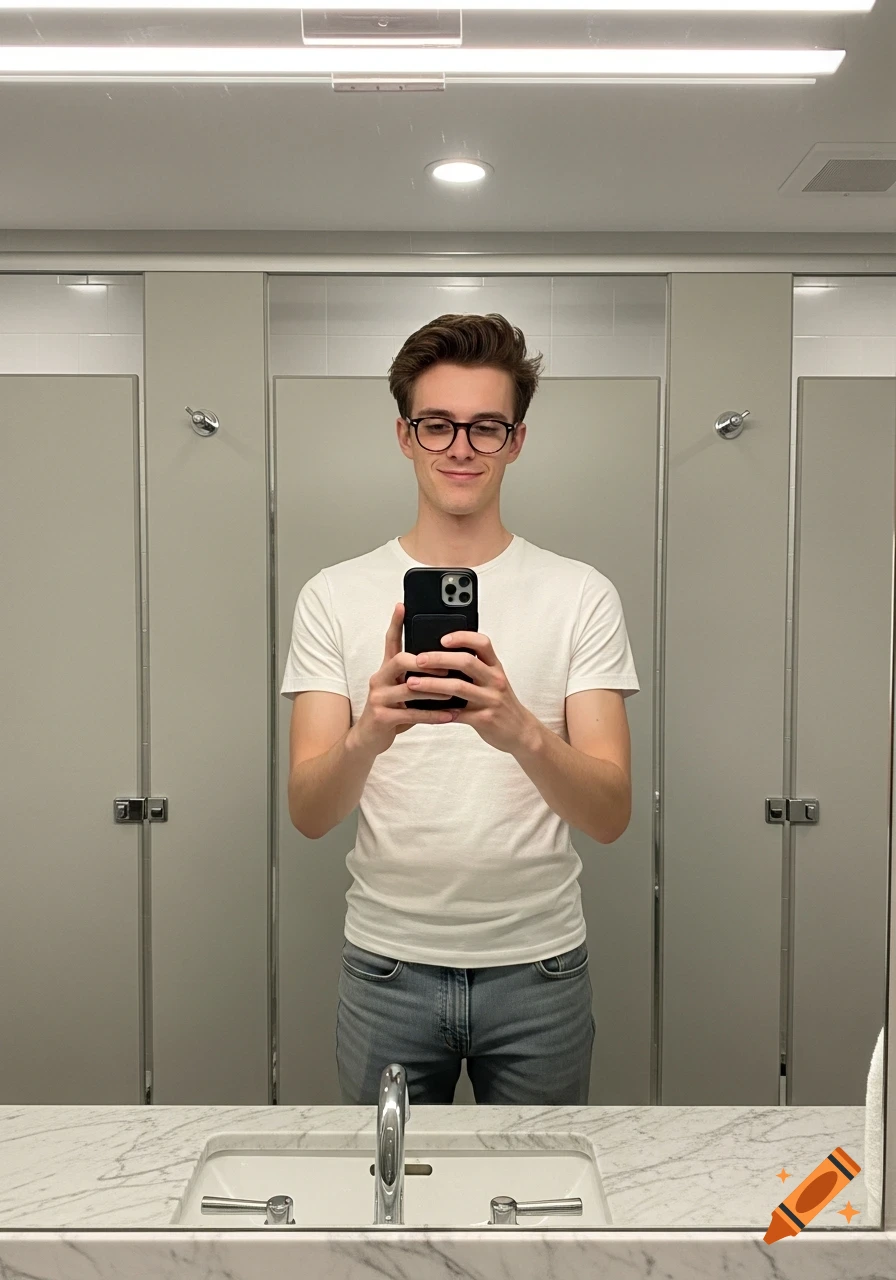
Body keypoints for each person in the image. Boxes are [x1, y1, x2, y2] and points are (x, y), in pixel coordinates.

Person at [281, 312, 640, 1105]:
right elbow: (310, 811)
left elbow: (611, 814)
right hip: (386, 967)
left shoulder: (581, 594)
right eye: (437, 425)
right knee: (386, 1215)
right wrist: (368, 736)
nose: (460, 447)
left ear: (517, 439)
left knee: (547, 1211)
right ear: (404, 436)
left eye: (486, 427)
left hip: (540, 967)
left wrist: (520, 731)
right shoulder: (331, 597)